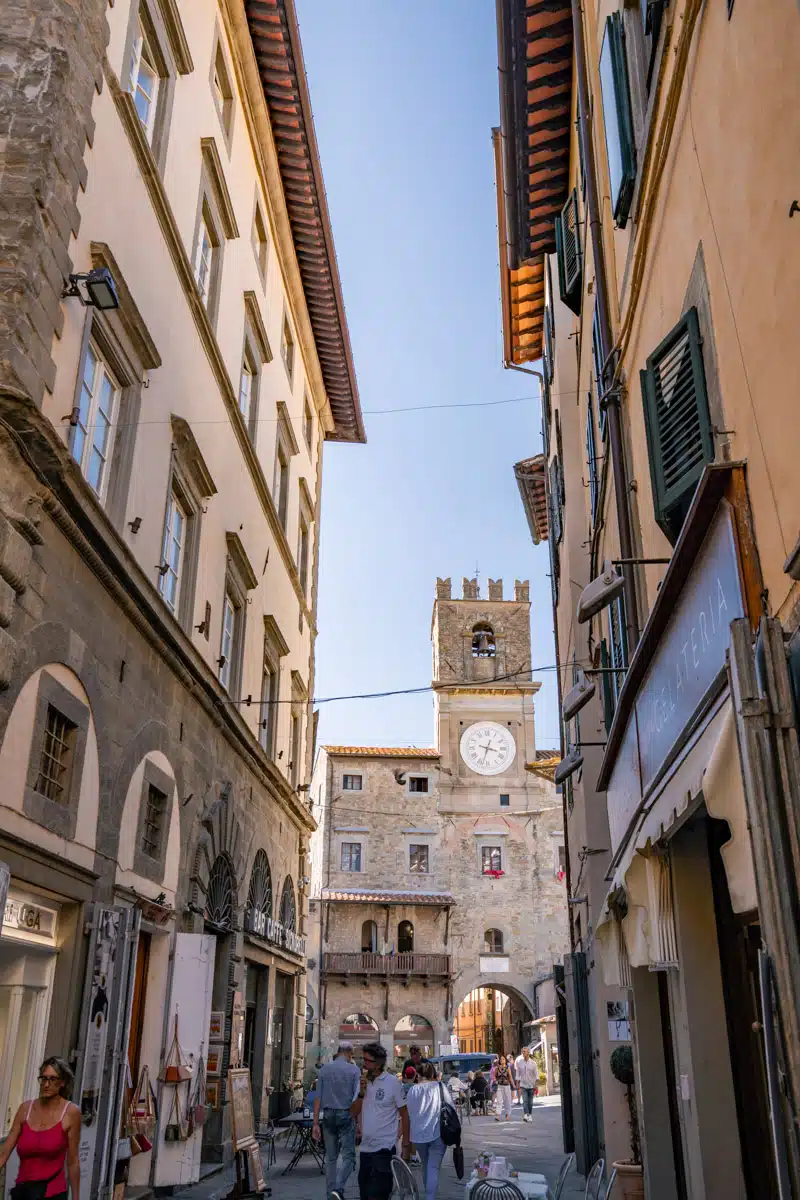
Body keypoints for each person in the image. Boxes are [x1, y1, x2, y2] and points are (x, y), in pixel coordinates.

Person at [0, 1057, 80, 1200]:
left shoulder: (70, 1112)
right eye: (43, 1079)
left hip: (52, 1192)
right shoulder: (26, 1109)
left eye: (52, 1079)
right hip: (24, 1192)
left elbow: (73, 1161)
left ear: (62, 1083)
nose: (46, 1084)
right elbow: (5, 1151)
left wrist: (75, 1197)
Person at [351, 1042, 409, 1200]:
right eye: (363, 1060)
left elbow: (404, 1113)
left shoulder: (393, 1083)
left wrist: (406, 1145)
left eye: (368, 1061)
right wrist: (361, 1094)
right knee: (365, 1194)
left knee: (379, 1195)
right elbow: (353, 1112)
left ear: (378, 1064)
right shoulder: (362, 1082)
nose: (364, 1064)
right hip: (365, 1149)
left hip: (384, 1148)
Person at [312, 1042, 361, 1200]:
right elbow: (356, 1098)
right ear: (349, 1053)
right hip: (346, 1114)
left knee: (331, 1158)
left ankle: (329, 1194)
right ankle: (338, 1189)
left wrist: (314, 1123)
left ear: (338, 1052)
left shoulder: (324, 1070)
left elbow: (317, 1097)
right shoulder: (354, 1070)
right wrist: (357, 1120)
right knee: (349, 1157)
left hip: (328, 1115)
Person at [403, 1062, 449, 1200]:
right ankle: (430, 1197)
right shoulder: (439, 1086)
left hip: (418, 1134)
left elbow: (409, 1111)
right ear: (433, 1075)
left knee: (426, 1164)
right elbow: (450, 1106)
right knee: (433, 1167)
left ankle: (429, 1194)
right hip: (437, 1132)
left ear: (418, 1074)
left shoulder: (412, 1090)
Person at [515, 1047, 539, 1123]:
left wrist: (536, 1085)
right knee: (525, 1101)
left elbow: (536, 1075)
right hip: (523, 1085)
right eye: (522, 1051)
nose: (523, 1052)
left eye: (525, 1051)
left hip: (531, 1085)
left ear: (528, 1052)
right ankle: (526, 1114)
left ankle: (529, 1115)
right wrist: (517, 1084)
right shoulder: (520, 1062)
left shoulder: (533, 1063)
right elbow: (518, 1074)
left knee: (530, 1102)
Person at [493, 1054, 516, 1121]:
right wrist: (495, 1081)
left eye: (503, 1059)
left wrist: (513, 1085)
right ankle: (497, 1115)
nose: (502, 1060)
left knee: (507, 1101)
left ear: (505, 1060)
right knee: (499, 1101)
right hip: (500, 1086)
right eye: (501, 1059)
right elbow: (494, 1076)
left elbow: (510, 1077)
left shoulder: (508, 1068)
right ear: (499, 1061)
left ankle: (507, 1114)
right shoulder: (497, 1068)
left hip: (507, 1086)